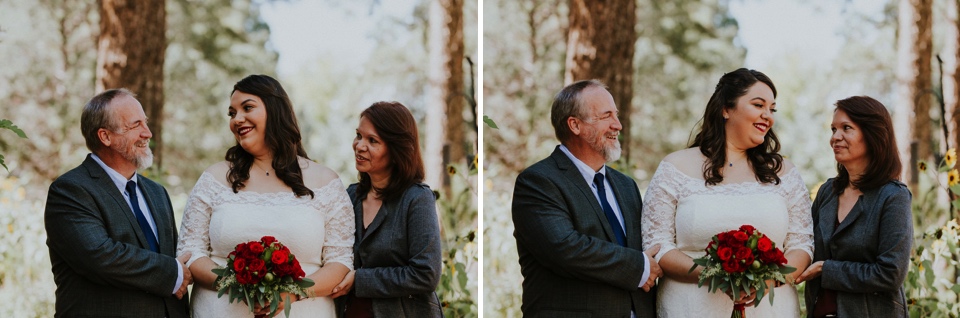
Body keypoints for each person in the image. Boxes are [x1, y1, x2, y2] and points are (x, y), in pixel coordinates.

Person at [177, 74, 355, 317]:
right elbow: (191, 252)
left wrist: (292, 293)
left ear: (275, 110)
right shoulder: (213, 179)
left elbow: (340, 261)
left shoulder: (326, 181)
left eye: (247, 108)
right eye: (232, 113)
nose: (237, 119)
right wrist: (241, 286)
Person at [642, 68, 814, 317]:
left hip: (769, 308)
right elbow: (658, 245)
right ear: (726, 109)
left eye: (772, 109)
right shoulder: (675, 167)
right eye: (758, 105)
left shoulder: (784, 172)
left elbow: (802, 244)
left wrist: (767, 281)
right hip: (690, 307)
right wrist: (719, 277)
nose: (768, 116)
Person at [511, 79, 661, 317]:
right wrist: (638, 267)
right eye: (606, 116)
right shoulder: (538, 182)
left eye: (617, 115)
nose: (618, 125)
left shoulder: (626, 185)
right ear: (575, 125)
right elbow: (565, 249)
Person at [44, 88, 192, 318]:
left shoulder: (157, 193)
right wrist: (172, 273)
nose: (148, 133)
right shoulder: (70, 190)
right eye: (136, 125)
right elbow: (100, 256)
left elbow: (176, 256)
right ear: (105, 136)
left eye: (146, 123)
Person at [794, 96, 912, 318]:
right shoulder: (827, 192)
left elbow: (890, 273)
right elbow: (804, 245)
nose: (835, 137)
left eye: (846, 128)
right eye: (833, 129)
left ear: (872, 134)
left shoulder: (893, 196)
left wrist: (825, 269)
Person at [328, 101, 443, 317]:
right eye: (359, 136)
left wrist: (360, 280)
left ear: (396, 149)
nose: (359, 145)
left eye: (373, 141)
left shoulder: (417, 198)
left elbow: (426, 274)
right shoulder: (349, 196)